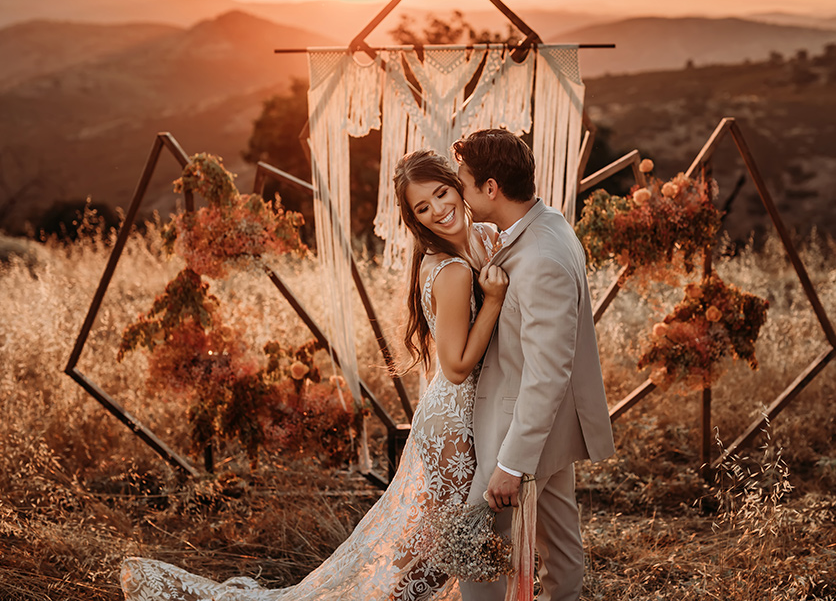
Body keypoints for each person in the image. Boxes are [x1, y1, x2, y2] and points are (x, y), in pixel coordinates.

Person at [120, 150, 508, 601]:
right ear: (414, 219)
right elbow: (457, 368)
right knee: (436, 555)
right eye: (423, 208)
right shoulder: (453, 270)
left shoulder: (483, 238)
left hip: (465, 414)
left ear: (459, 185)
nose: (439, 210)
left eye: (442, 193)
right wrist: (494, 301)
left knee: (426, 545)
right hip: (454, 423)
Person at [452, 129, 616, 601]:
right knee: (561, 548)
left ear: (490, 188)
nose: (461, 195)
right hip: (551, 432)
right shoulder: (545, 224)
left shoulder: (541, 257)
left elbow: (548, 373)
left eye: (464, 184)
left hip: (520, 432)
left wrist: (511, 464)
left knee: (477, 548)